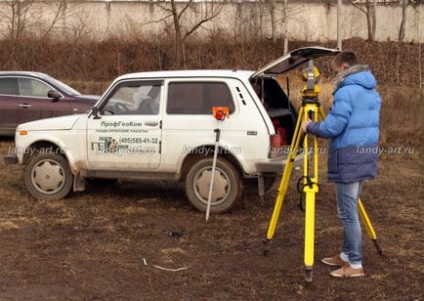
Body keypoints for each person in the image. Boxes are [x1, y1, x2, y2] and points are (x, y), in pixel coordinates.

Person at [301, 51, 381, 278]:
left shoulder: (347, 91)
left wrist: (310, 127)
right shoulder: (372, 91)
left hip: (348, 157)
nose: (335, 77)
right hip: (364, 153)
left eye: (336, 72)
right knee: (351, 209)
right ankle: (346, 255)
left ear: (345, 66)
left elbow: (332, 128)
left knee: (347, 214)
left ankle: (355, 265)